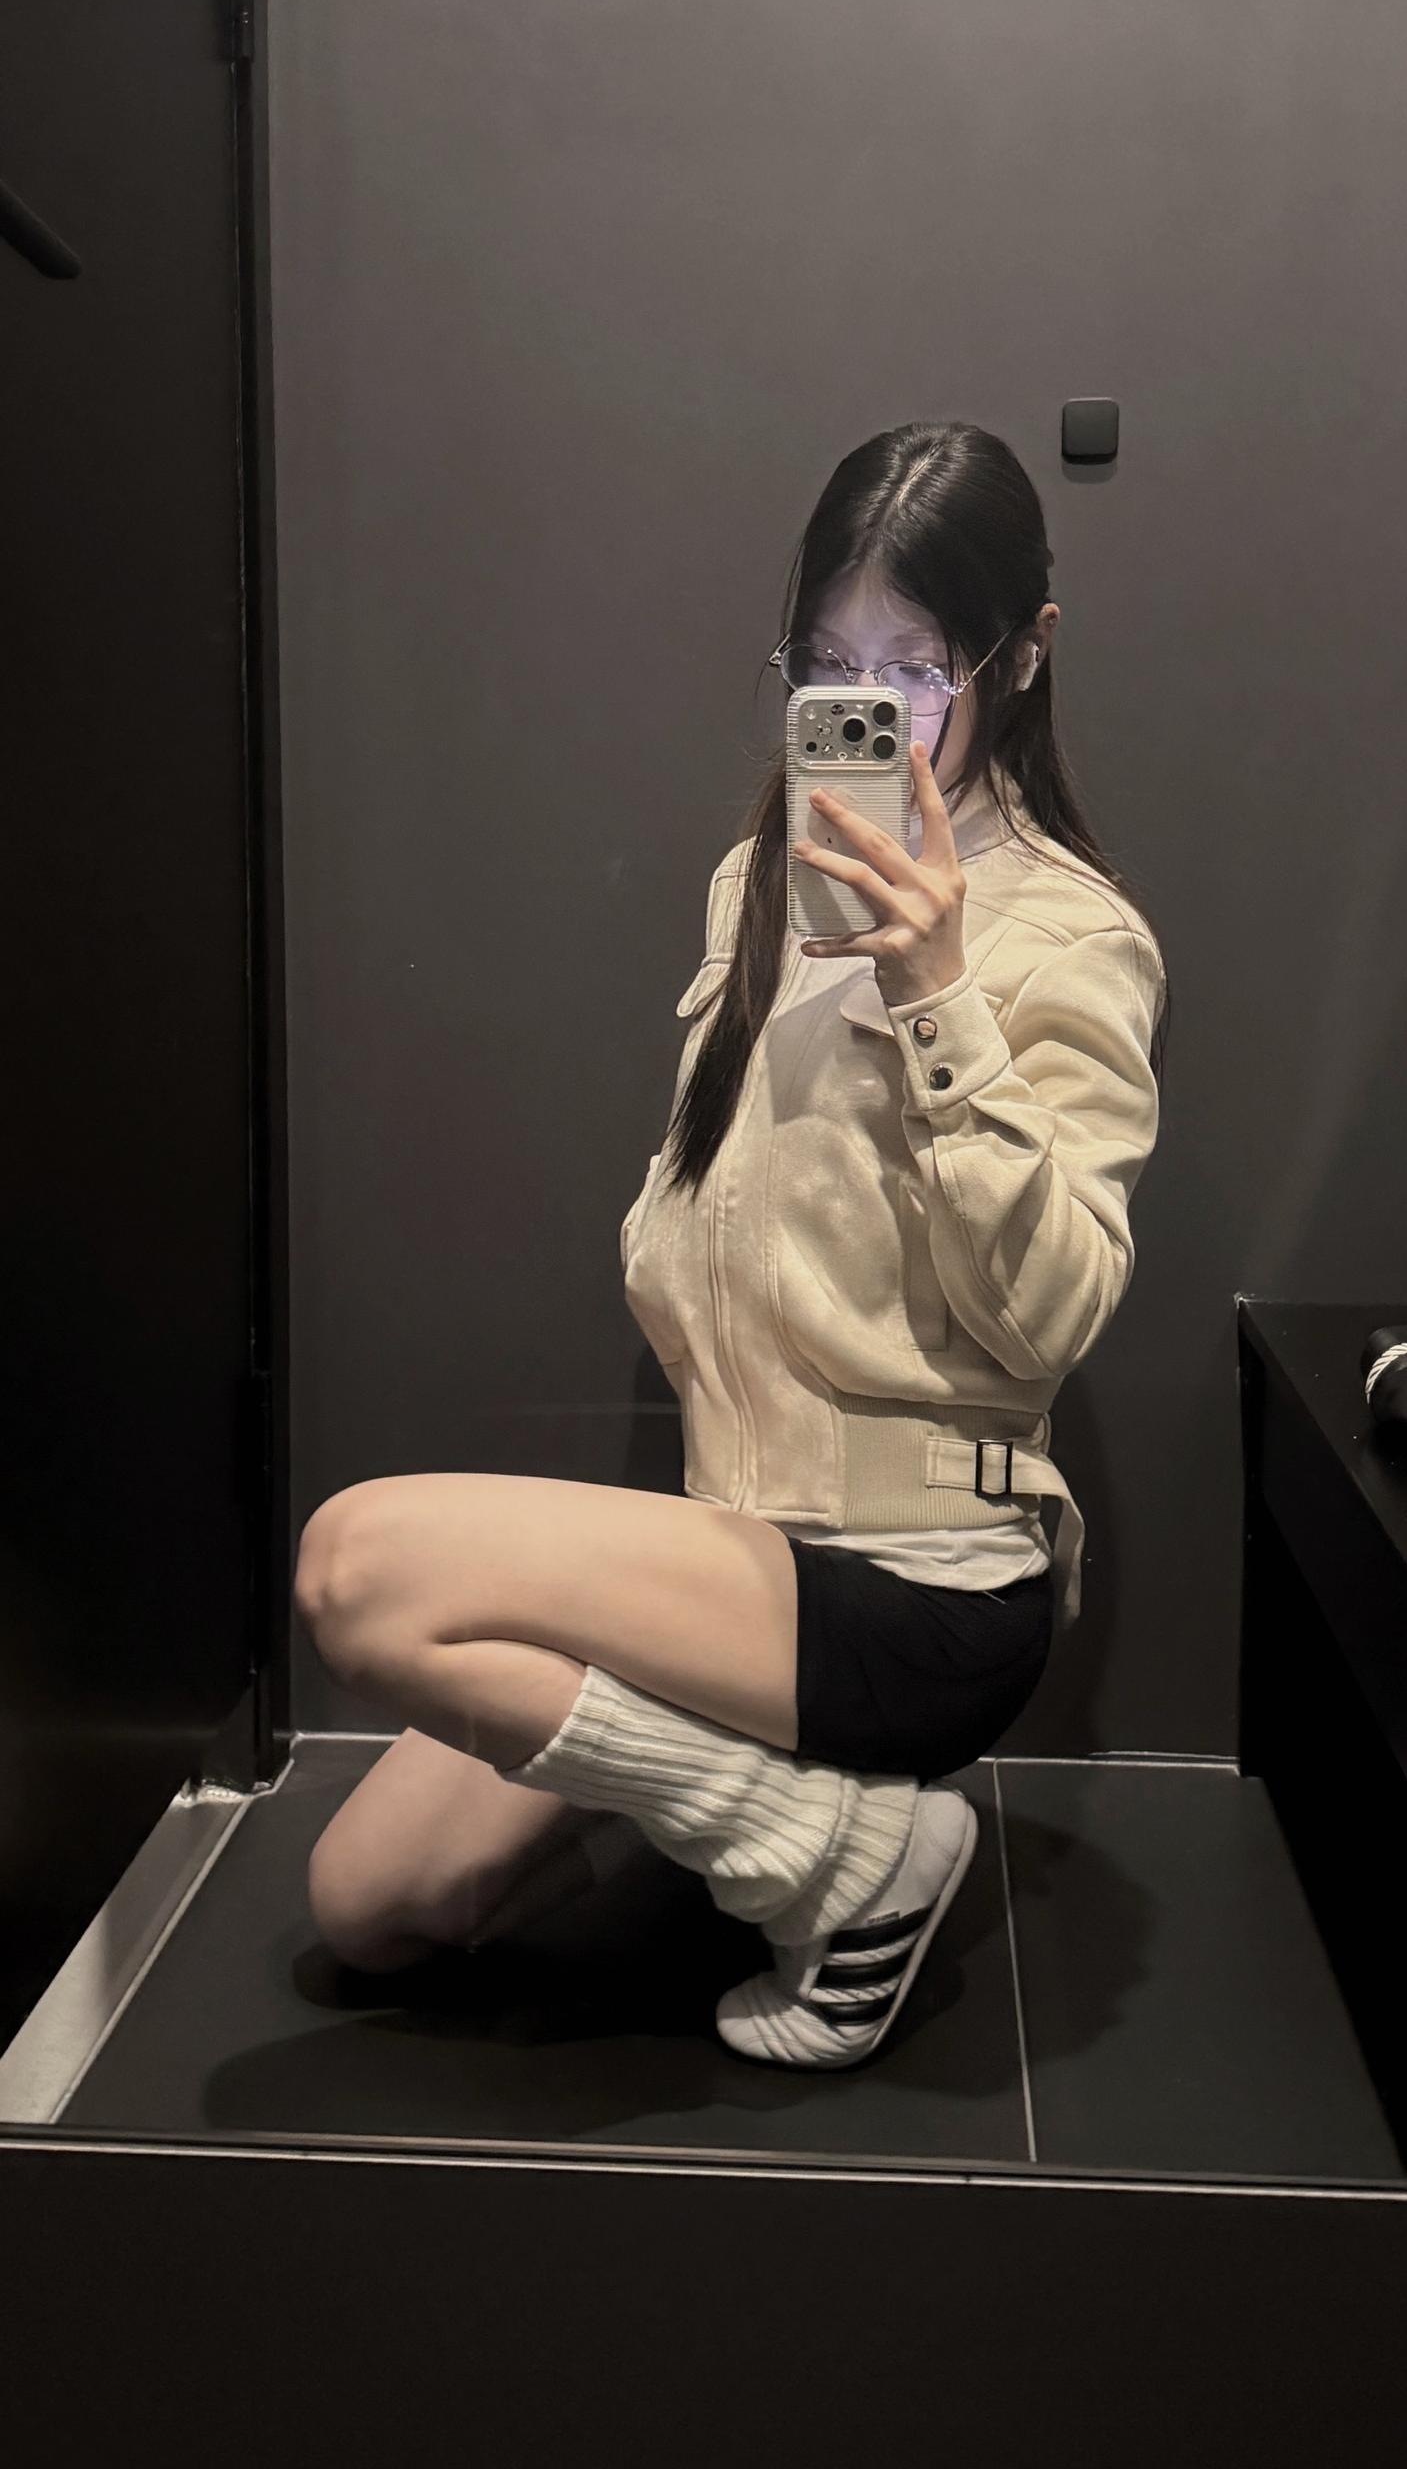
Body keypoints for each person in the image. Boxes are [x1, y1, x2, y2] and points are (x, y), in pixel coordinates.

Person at [299, 420, 1169, 2071]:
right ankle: (773, 1805)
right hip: (744, 1547)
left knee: (357, 1569)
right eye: (829, 665)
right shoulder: (756, 886)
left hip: (921, 1582)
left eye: (917, 669)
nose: (868, 707)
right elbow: (705, 1226)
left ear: (1024, 654)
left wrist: (938, 997)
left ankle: (844, 1859)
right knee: (372, 1902)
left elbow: (1052, 1317)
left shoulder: (1073, 937)